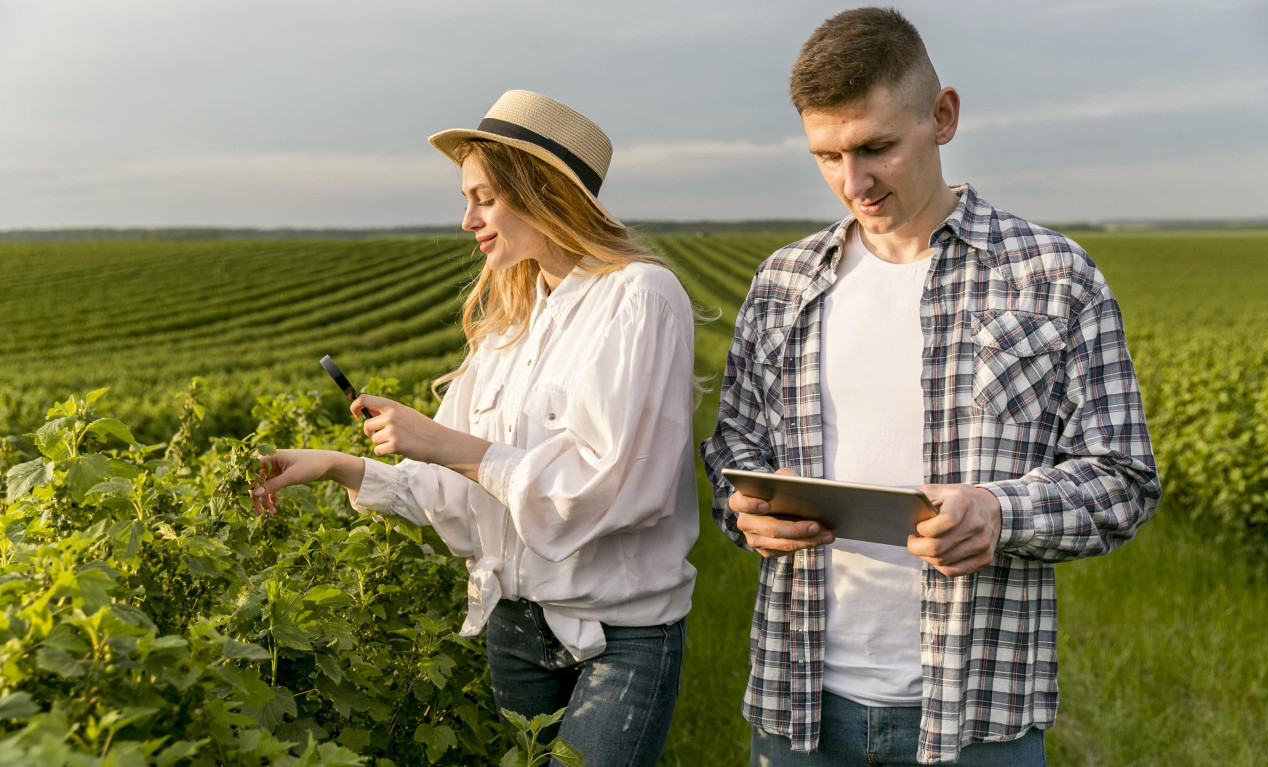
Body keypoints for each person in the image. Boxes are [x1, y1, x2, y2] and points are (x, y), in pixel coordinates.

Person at [699, 8, 1160, 766]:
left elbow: (1124, 476)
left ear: (942, 116)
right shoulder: (783, 281)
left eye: (876, 147)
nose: (853, 182)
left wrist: (998, 510)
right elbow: (733, 447)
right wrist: (747, 505)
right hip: (798, 703)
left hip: (979, 711)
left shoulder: (1054, 275)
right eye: (826, 155)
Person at [251, 89, 699, 767]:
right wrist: (338, 465)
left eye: (484, 197)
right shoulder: (507, 325)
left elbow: (609, 490)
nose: (467, 219)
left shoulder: (638, 298)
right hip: (514, 629)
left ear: (543, 190)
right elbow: (458, 493)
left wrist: (444, 442)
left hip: (621, 635)